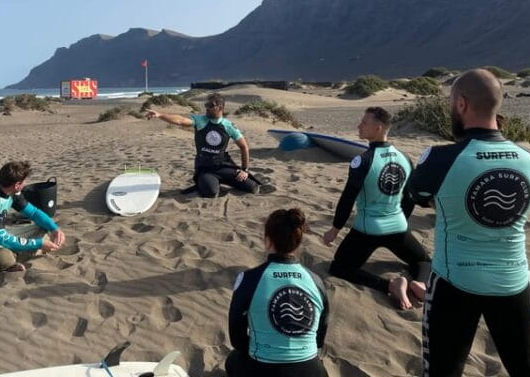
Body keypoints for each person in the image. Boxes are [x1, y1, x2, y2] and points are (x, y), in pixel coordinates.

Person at [406, 69, 530, 377]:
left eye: (451, 102)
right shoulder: (528, 158)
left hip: (455, 282)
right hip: (513, 282)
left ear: (462, 104)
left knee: (442, 370)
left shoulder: (440, 158)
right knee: (525, 367)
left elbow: (417, 194)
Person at [322, 107, 430, 309]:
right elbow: (409, 198)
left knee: (339, 267)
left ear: (378, 128)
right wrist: (402, 221)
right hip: (397, 228)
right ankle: (420, 284)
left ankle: (389, 285)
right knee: (424, 262)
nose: (359, 126)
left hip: (367, 230)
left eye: (364, 123)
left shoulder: (362, 160)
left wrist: (334, 230)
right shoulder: (404, 158)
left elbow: (347, 198)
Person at [226, 208, 329, 377]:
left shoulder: (248, 279)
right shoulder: (316, 281)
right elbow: (319, 338)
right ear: (298, 242)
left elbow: (237, 339)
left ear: (268, 241)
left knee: (233, 360)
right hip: (312, 371)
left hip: (264, 370)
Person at [145, 93, 259, 197]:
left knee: (252, 187)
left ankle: (221, 180)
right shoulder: (200, 121)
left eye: (210, 105)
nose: (207, 108)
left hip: (223, 166)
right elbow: (180, 120)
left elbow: (244, 147)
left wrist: (244, 170)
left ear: (219, 107)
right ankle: (205, 181)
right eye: (206, 104)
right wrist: (159, 115)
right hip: (206, 168)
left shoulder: (228, 126)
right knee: (211, 192)